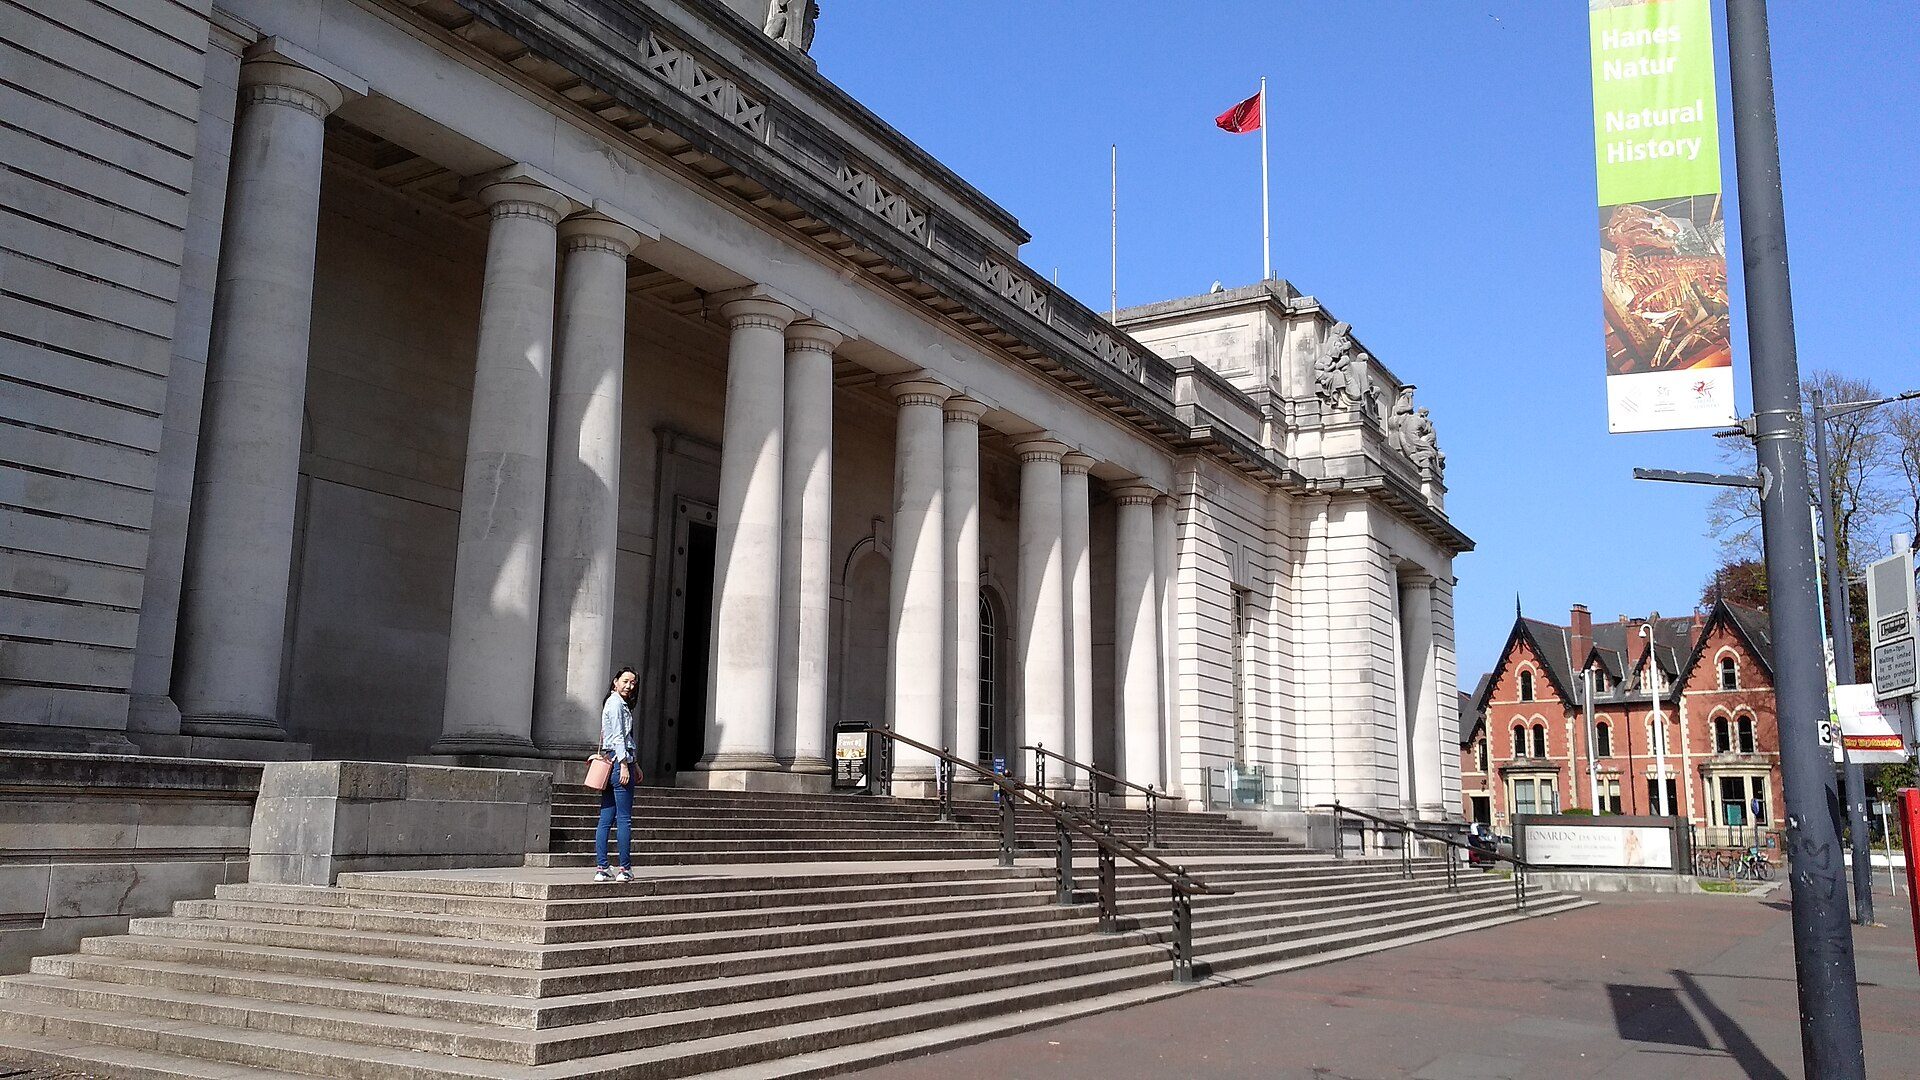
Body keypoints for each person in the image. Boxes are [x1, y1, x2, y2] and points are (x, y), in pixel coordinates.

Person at [595, 667, 640, 883]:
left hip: (612, 760)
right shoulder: (616, 704)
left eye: (632, 682)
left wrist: (635, 764)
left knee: (606, 817)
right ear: (615, 682)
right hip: (619, 761)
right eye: (625, 681)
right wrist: (625, 764)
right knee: (623, 818)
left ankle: (602, 868)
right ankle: (624, 868)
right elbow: (620, 737)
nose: (629, 686)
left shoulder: (613, 703)